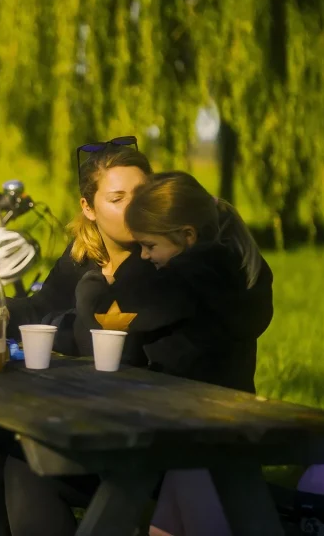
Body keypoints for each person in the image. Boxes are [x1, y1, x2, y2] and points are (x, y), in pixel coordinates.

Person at [0, 139, 159, 536]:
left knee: (26, 461)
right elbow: (42, 306)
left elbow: (96, 339)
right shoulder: (87, 251)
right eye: (118, 198)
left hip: (153, 427)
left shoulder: (159, 258)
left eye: (142, 195)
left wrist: (67, 319)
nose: (134, 210)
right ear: (88, 208)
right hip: (95, 410)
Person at [73, 171, 273, 536]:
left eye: (149, 246)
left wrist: (99, 282)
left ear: (187, 236)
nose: (145, 255)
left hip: (192, 423)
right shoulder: (232, 267)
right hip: (220, 411)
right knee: (168, 524)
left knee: (198, 520)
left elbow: (111, 313)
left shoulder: (185, 277)